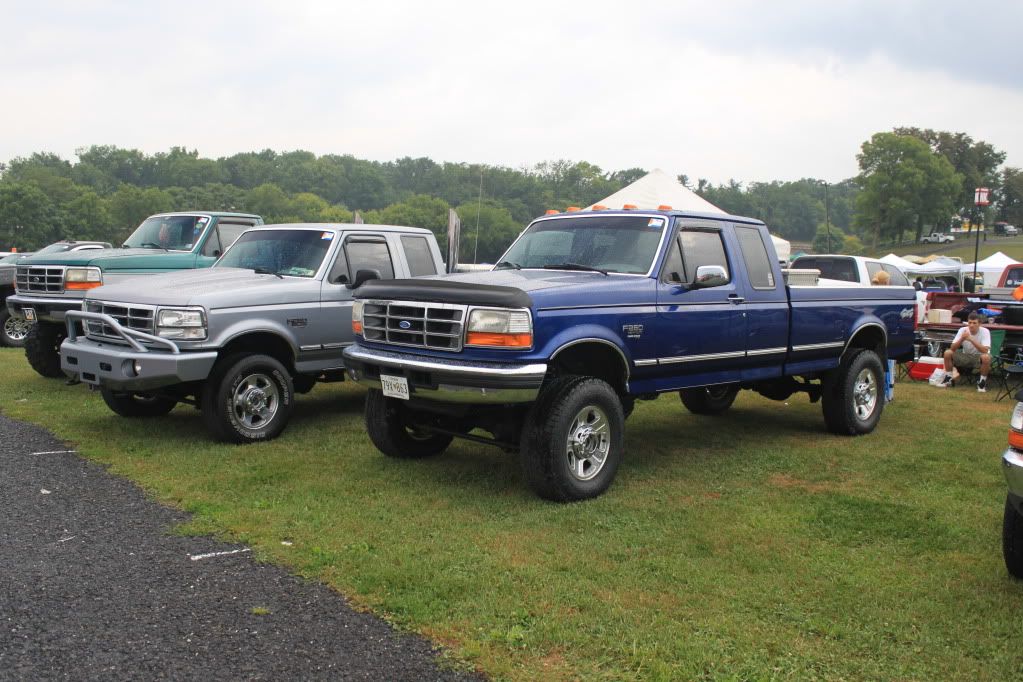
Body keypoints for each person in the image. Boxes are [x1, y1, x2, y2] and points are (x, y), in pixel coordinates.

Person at [940, 312, 991, 392]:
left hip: (978, 357)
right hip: (965, 355)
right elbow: (952, 348)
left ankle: (982, 382)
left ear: (979, 324)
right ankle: (948, 377)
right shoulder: (962, 330)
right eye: (970, 322)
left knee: (986, 357)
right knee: (947, 353)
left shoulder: (985, 331)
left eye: (974, 323)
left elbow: (985, 350)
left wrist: (971, 339)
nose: (971, 325)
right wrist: (962, 339)